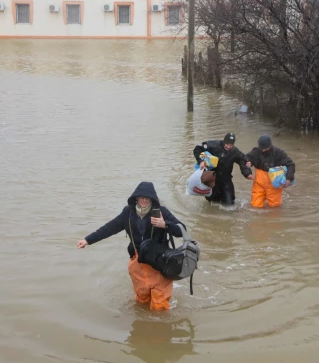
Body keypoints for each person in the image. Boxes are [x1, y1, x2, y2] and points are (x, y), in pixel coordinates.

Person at [77, 182, 184, 311]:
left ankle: (157, 329)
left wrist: (165, 224)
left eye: (147, 197)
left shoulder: (161, 212)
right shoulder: (127, 213)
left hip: (159, 263)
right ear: (136, 198)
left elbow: (181, 230)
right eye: (141, 197)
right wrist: (88, 240)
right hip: (138, 262)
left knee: (159, 307)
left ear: (152, 198)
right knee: (142, 301)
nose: (144, 200)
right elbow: (109, 228)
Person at [192, 133, 252, 205]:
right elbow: (197, 149)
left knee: (230, 203)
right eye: (227, 144)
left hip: (226, 179)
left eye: (231, 145)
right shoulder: (214, 145)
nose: (228, 147)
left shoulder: (235, 152)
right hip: (212, 178)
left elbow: (244, 161)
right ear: (224, 141)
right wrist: (201, 161)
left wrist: (248, 173)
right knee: (212, 201)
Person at [245, 135, 295, 208]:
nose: (263, 150)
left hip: (274, 185)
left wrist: (289, 179)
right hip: (259, 183)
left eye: (266, 148)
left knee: (274, 207)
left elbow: (290, 164)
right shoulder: (255, 152)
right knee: (255, 206)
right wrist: (248, 170)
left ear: (270, 146)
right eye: (262, 148)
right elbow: (245, 160)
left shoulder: (278, 152)